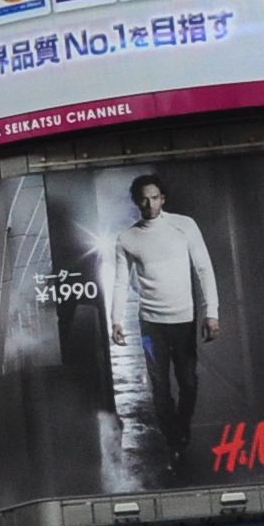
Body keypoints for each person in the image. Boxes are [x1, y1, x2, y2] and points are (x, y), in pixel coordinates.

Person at [105, 171, 222, 486]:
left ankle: (181, 429)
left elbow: (203, 268)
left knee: (189, 383)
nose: (149, 203)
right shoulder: (127, 239)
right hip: (150, 324)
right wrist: (116, 319)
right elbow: (119, 281)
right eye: (143, 198)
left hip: (183, 321)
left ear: (163, 199)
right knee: (159, 388)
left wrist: (211, 312)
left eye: (154, 197)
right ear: (136, 202)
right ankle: (175, 443)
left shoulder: (184, 226)